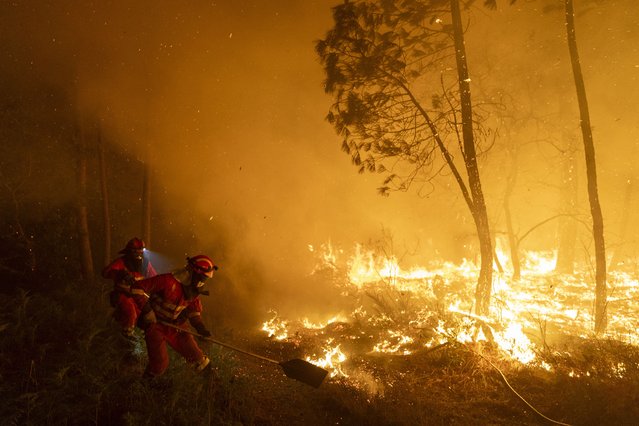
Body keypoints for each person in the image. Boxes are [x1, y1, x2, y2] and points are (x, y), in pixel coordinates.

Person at [131, 254, 218, 377]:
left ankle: (213, 384)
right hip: (156, 325)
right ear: (194, 272)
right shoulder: (167, 281)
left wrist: (201, 329)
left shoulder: (193, 289)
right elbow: (137, 288)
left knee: (198, 357)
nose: (203, 281)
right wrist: (148, 311)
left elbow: (194, 312)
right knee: (160, 364)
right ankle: (145, 386)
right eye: (203, 277)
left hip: (177, 326)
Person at [102, 237, 158, 338]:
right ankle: (126, 340)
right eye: (136, 251)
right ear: (129, 252)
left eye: (141, 250)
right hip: (123, 295)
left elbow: (155, 278)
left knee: (147, 316)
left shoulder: (145, 264)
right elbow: (106, 273)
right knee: (130, 312)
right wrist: (121, 274)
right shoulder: (121, 262)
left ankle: (142, 340)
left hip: (139, 296)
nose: (139, 253)